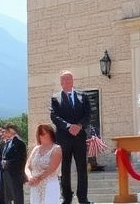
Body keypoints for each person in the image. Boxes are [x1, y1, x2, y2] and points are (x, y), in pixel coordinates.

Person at [49, 70, 90, 204]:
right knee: (65, 169)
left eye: (69, 79)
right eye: (64, 80)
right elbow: (54, 116)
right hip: (64, 138)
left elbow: (88, 115)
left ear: (73, 81)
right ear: (60, 83)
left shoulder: (83, 96)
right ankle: (67, 197)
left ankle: (83, 198)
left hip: (79, 137)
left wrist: (78, 126)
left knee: (82, 168)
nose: (67, 82)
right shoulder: (55, 98)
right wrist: (68, 126)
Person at [24, 124, 62, 204]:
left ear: (51, 133)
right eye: (39, 133)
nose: (41, 135)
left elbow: (51, 168)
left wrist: (38, 179)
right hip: (35, 186)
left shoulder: (56, 148)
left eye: (43, 133)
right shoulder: (36, 148)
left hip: (49, 185)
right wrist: (30, 177)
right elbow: (27, 166)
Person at [0, 124, 24, 204]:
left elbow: (20, 160)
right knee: (7, 198)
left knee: (17, 198)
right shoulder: (7, 143)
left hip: (15, 175)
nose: (4, 134)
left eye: (6, 131)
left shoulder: (19, 143)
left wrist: (7, 162)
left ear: (12, 131)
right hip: (6, 174)